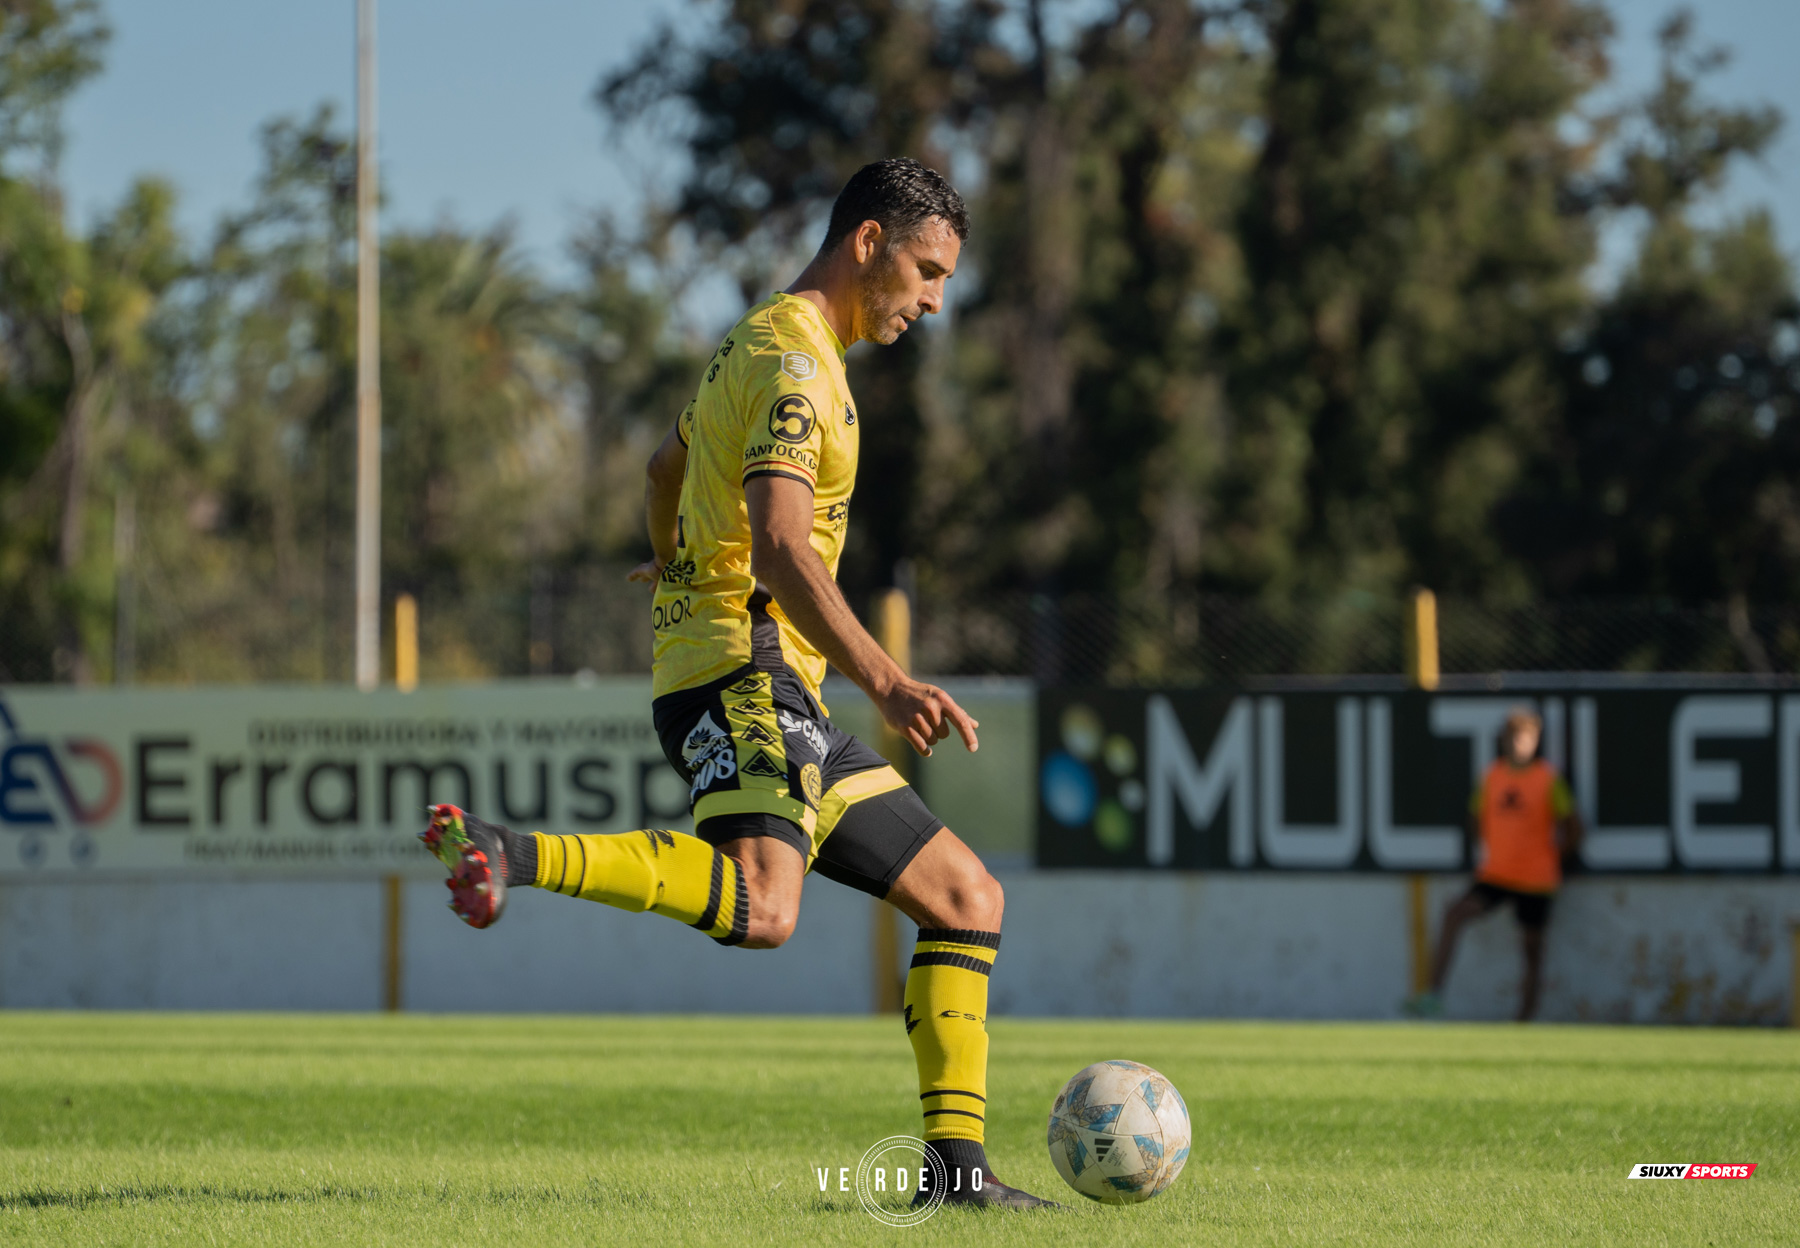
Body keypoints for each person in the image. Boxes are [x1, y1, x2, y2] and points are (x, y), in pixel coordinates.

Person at [419, 158, 1056, 1210]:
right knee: (766, 908)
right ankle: (511, 851)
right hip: (742, 670)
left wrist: (667, 553)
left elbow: (663, 469)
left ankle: (957, 1175)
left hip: (763, 681)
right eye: (930, 272)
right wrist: (891, 682)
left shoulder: (748, 343)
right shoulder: (803, 373)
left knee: (964, 897)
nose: (935, 302)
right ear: (868, 243)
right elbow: (778, 546)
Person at [1408, 707, 1582, 1022]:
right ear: (1503, 740)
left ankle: (1524, 1020)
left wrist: (1553, 859)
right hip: (1497, 873)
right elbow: (1474, 818)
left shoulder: (1548, 779)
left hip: (1536, 878)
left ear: (1535, 740)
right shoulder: (1491, 777)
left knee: (1531, 948)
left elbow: (1574, 827)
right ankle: (1432, 996)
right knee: (1455, 912)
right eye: (1513, 737)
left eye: (1525, 737)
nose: (1518, 743)